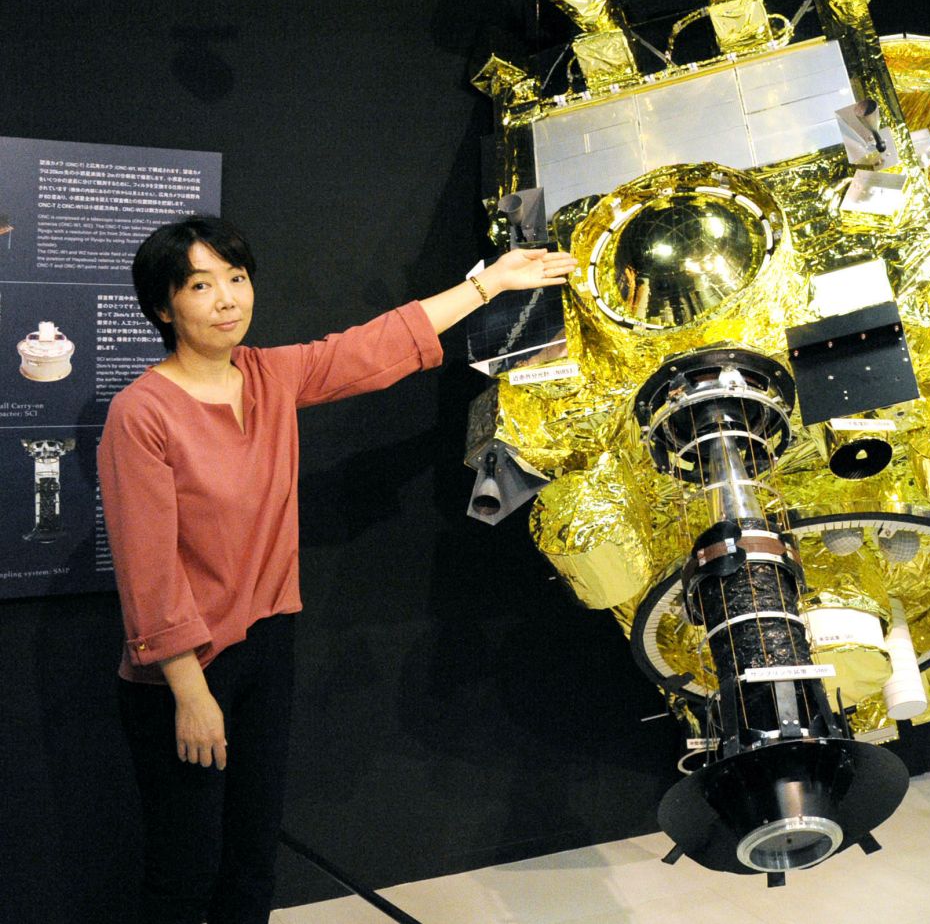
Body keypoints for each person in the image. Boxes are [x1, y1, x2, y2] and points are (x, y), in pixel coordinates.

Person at [99, 215, 574, 924]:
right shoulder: (141, 413)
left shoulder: (267, 376)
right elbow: (148, 570)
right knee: (185, 865)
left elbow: (373, 346)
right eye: (200, 285)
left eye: (236, 278)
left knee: (252, 853)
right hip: (185, 668)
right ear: (163, 307)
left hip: (266, 646)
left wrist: (491, 284)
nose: (227, 298)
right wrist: (191, 694)